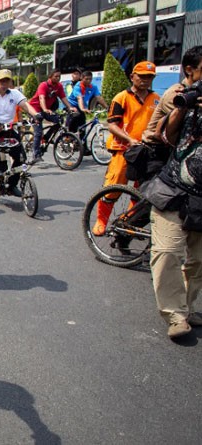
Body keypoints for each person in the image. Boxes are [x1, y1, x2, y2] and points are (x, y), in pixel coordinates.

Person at [141, 46, 202, 339]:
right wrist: (184, 106)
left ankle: (186, 308)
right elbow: (166, 135)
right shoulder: (179, 95)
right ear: (190, 71)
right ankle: (175, 315)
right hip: (174, 187)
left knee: (198, 261)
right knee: (167, 253)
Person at [92, 61, 161, 236]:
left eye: (150, 77)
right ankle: (101, 221)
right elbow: (112, 125)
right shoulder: (121, 97)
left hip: (147, 150)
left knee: (140, 190)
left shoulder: (156, 99)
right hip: (123, 149)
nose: (145, 80)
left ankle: (128, 221)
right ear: (132, 77)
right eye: (142, 76)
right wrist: (129, 139)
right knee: (114, 185)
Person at [0, 69, 39, 194]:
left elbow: (25, 105)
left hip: (8, 130)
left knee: (21, 157)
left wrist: (36, 115)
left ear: (10, 82)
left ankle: (12, 185)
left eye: (7, 81)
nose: (4, 84)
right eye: (2, 81)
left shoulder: (15, 94)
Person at [28, 68, 77, 161]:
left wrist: (70, 107)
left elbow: (63, 98)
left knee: (59, 120)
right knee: (38, 132)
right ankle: (36, 154)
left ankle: (46, 137)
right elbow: (41, 98)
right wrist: (45, 109)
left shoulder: (59, 86)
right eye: (56, 76)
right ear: (50, 76)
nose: (58, 78)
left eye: (59, 76)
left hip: (46, 110)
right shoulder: (43, 85)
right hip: (35, 110)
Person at [66, 71, 108, 143]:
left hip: (82, 106)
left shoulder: (93, 87)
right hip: (72, 105)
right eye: (86, 79)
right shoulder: (78, 86)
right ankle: (68, 137)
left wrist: (107, 107)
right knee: (74, 119)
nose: (88, 81)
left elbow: (99, 98)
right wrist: (82, 108)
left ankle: (82, 145)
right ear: (82, 78)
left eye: (90, 79)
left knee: (83, 126)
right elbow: (79, 98)